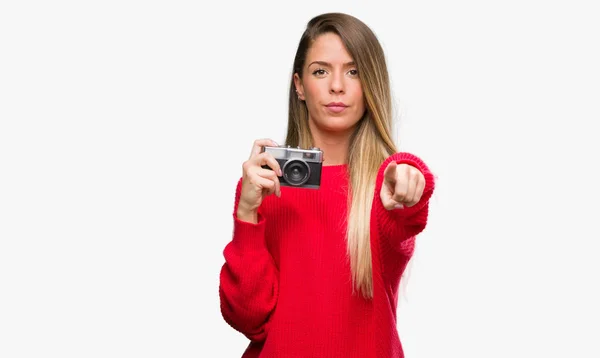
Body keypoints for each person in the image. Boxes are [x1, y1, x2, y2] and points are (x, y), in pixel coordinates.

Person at [218, 12, 435, 358]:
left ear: (371, 85)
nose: (337, 85)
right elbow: (248, 318)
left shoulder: (386, 187)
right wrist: (246, 213)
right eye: (321, 71)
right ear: (300, 86)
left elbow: (406, 216)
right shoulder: (266, 182)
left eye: (354, 71)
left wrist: (411, 178)